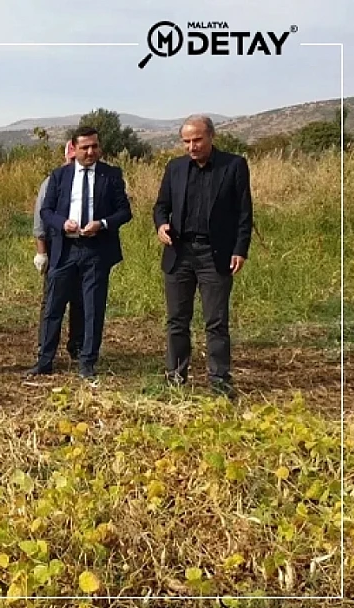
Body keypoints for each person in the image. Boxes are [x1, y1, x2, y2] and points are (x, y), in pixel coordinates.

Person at [153, 114, 254, 397]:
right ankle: (175, 377)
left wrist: (239, 249)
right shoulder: (174, 168)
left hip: (215, 254)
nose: (191, 146)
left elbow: (244, 214)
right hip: (179, 252)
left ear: (211, 137)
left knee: (216, 322)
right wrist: (161, 224)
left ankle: (219, 380)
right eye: (186, 141)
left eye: (197, 140)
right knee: (176, 319)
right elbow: (160, 206)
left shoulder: (234, 166)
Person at [27, 126, 132, 381]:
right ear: (74, 149)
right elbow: (46, 211)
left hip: (96, 251)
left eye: (94, 146)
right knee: (53, 306)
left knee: (92, 308)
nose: (90, 152)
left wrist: (103, 224)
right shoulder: (59, 176)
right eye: (85, 147)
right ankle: (45, 360)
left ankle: (87, 362)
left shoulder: (111, 175)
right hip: (65, 250)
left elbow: (124, 211)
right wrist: (62, 223)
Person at [33, 140, 84, 364]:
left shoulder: (88, 180)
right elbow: (40, 218)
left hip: (84, 249)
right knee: (52, 300)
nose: (74, 164)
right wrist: (41, 252)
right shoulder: (53, 180)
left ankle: (78, 346)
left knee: (81, 300)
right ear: (66, 156)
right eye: (71, 159)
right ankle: (44, 347)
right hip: (57, 249)